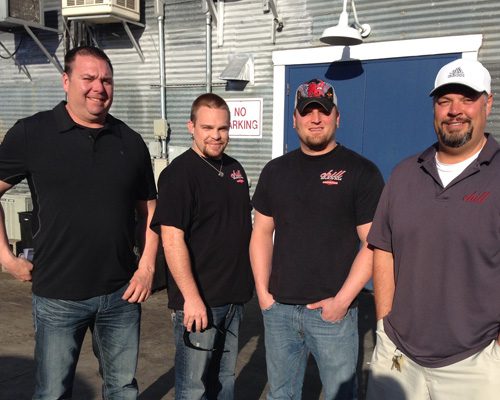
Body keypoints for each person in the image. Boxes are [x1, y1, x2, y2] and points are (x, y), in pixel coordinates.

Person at [0, 46, 158, 399]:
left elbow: (149, 208)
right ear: (66, 81)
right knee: (53, 392)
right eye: (88, 78)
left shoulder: (130, 142)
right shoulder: (32, 134)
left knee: (122, 388)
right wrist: (6, 258)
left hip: (121, 294)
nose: (98, 88)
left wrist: (146, 268)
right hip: (58, 295)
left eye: (106, 80)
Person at [366, 58, 500, 400]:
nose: (454, 110)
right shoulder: (406, 173)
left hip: (474, 365)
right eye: (444, 101)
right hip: (397, 356)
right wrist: (384, 323)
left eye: (466, 98)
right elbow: (383, 248)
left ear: (488, 102)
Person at [250, 78, 384, 399]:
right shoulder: (275, 171)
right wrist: (263, 295)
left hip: (332, 315)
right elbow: (261, 232)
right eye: (306, 111)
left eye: (323, 111)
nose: (315, 118)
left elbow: (373, 242)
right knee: (281, 395)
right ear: (294, 119)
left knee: (340, 395)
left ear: (337, 117)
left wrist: (341, 301)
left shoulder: (360, 172)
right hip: (279, 309)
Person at [150, 93, 254, 399]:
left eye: (222, 128)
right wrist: (191, 299)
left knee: (224, 380)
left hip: (233, 299)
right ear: (191, 127)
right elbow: (171, 239)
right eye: (207, 127)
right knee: (193, 387)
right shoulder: (179, 175)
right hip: (199, 303)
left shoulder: (235, 170)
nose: (216, 135)